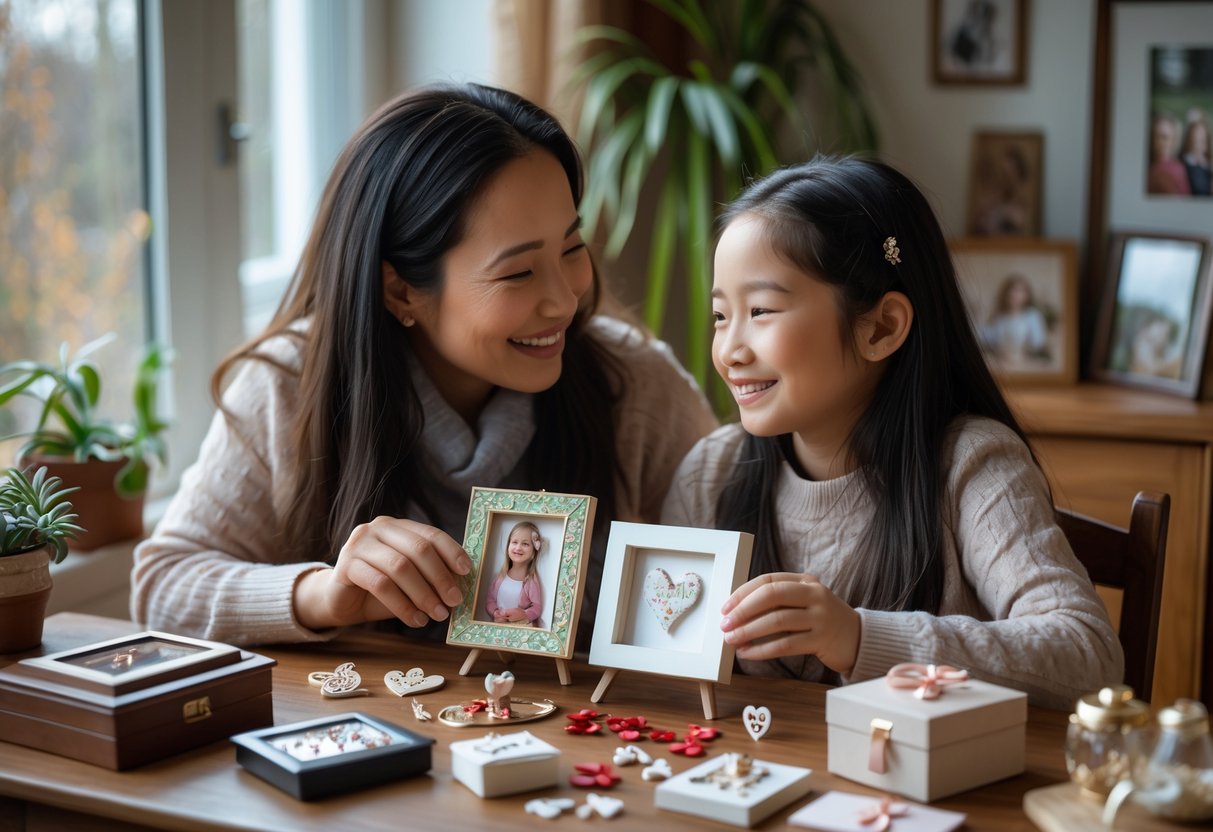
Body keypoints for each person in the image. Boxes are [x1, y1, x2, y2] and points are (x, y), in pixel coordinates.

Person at [131, 83, 717, 646]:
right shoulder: (290, 385)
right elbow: (163, 587)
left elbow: (736, 565)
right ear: (402, 291)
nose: (565, 300)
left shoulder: (631, 381)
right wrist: (325, 594)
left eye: (571, 248)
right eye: (517, 272)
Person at [662, 156, 1122, 709]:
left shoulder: (971, 464)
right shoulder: (711, 473)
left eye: (761, 310)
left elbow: (1089, 655)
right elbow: (664, 662)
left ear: (881, 328)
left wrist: (858, 638)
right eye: (720, 315)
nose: (730, 351)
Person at [978, 273, 1050, 368]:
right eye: (1012, 290)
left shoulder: (1032, 316)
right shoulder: (1000, 317)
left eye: (1020, 291)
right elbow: (987, 338)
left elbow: (1038, 343)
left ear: (1027, 295)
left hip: (1024, 364)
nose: (1015, 294)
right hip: (1001, 364)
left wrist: (1023, 354)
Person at [484, 521, 544, 626]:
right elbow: (490, 600)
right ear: (508, 546)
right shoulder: (501, 576)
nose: (518, 548)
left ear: (534, 551)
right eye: (514, 542)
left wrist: (524, 614)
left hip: (518, 628)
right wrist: (494, 612)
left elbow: (537, 607)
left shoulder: (530, 581)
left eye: (525, 544)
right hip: (497, 626)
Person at [1148, 113, 1191, 196]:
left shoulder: (1178, 169)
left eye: (1166, 137)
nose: (1161, 141)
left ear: (1174, 139)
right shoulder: (1147, 166)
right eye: (1156, 135)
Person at [1180, 113, 1212, 196]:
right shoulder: (1183, 164)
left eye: (1202, 140)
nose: (1198, 145)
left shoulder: (1208, 165)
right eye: (1195, 140)